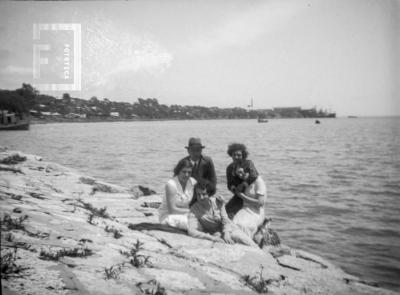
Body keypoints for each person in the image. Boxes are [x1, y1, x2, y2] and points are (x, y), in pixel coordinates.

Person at [188, 178, 257, 246]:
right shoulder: (194, 209)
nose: (201, 197)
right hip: (216, 234)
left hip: (229, 228)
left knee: (241, 238)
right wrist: (212, 238)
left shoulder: (218, 201)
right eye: (198, 194)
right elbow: (191, 231)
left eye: (204, 194)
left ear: (209, 194)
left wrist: (226, 234)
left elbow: (225, 219)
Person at [158, 158, 196, 230]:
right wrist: (191, 212)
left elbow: (203, 194)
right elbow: (172, 210)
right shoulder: (171, 184)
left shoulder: (193, 182)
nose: (186, 175)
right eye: (184, 172)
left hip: (186, 215)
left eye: (189, 172)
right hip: (168, 216)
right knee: (193, 224)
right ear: (178, 171)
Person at [232, 163, 267, 239]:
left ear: (248, 169)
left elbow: (260, 203)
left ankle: (247, 243)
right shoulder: (243, 182)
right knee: (235, 223)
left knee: (245, 226)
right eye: (238, 174)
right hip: (245, 209)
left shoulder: (258, 181)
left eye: (242, 172)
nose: (241, 175)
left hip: (256, 212)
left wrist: (242, 196)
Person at [225, 143, 259, 219]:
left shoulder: (248, 163)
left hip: (250, 194)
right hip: (238, 195)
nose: (236, 157)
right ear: (231, 155)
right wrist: (233, 188)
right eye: (234, 155)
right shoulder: (229, 168)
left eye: (239, 155)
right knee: (226, 211)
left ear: (243, 155)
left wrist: (244, 184)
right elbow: (229, 184)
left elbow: (254, 175)